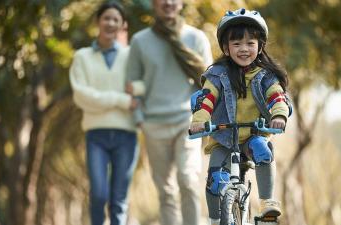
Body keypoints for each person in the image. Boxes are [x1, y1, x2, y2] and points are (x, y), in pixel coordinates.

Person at [189, 8, 292, 225]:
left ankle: (267, 205)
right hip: (223, 137)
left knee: (263, 150)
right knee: (215, 179)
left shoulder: (265, 76)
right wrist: (200, 120)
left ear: (260, 46)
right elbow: (207, 98)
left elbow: (276, 96)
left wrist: (279, 115)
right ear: (226, 48)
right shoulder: (217, 74)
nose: (243, 49)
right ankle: (215, 220)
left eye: (250, 43)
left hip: (252, 134)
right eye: (236, 44)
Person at [125, 0, 213, 224]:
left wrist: (203, 117)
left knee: (188, 180)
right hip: (154, 125)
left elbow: (211, 84)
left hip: (187, 122)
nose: (168, 2)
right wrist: (139, 120)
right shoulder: (140, 41)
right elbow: (131, 84)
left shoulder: (196, 38)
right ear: (153, 4)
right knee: (166, 191)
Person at [69, 2, 138, 225]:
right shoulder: (82, 56)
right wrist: (121, 100)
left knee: (119, 201)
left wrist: (134, 94)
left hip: (126, 136)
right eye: (106, 18)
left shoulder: (131, 56)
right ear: (98, 21)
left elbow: (143, 88)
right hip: (96, 136)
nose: (110, 22)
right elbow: (81, 96)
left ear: (122, 25)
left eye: (115, 19)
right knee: (98, 195)